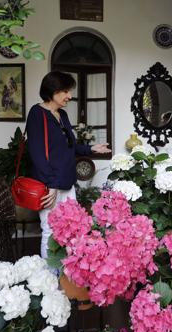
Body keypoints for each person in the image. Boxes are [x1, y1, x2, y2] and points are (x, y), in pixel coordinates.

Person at [27, 71, 110, 259]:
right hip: (49, 186)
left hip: (66, 182)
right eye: (65, 91)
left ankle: (66, 276)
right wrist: (51, 185)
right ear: (52, 91)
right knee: (50, 231)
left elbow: (68, 147)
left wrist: (91, 148)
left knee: (72, 230)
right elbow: (37, 154)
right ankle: (49, 281)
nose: (70, 96)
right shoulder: (37, 114)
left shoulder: (62, 115)